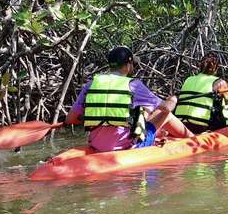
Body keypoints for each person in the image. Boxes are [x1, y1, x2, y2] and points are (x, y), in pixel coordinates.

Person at [66, 46, 194, 152]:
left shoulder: (91, 83)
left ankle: (165, 134)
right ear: (128, 64)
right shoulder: (133, 84)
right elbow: (166, 108)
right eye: (132, 63)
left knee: (145, 114)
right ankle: (195, 140)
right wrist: (173, 99)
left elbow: (70, 119)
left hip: (97, 146)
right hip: (125, 147)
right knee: (166, 115)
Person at [175, 53, 228, 134]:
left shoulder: (188, 79)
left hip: (182, 124)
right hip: (205, 126)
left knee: (226, 107)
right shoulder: (219, 83)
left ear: (200, 66)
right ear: (216, 68)